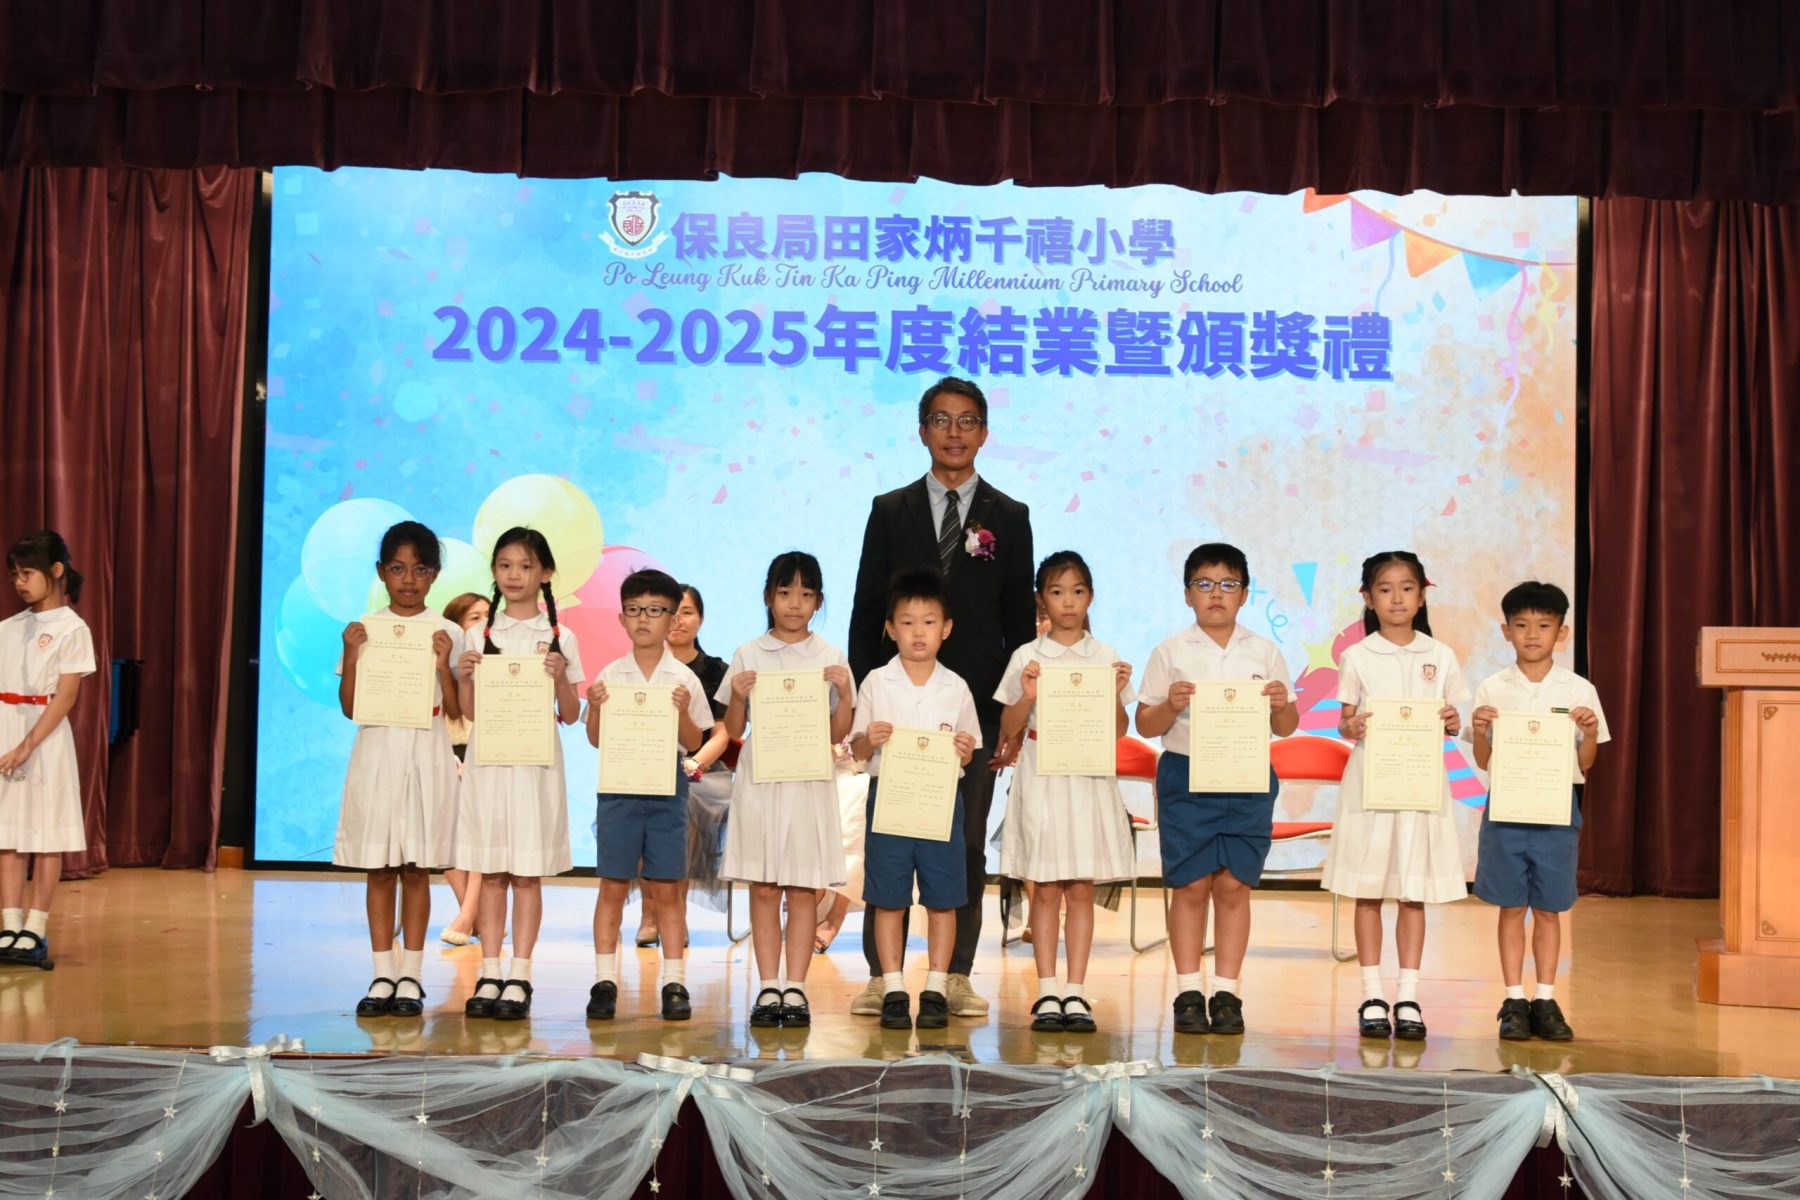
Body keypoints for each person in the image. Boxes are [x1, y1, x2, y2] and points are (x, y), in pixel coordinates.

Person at [848, 376, 1035, 1019]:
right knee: (890, 837)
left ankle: (953, 975)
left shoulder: (1010, 517)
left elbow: (1019, 625)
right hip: (896, 708)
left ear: (984, 432)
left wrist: (1010, 716)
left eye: (967, 421)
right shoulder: (889, 509)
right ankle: (884, 978)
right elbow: (867, 608)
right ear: (922, 430)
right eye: (941, 420)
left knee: (964, 843)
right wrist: (865, 701)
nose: (954, 433)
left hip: (971, 711)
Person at [1135, 543, 1297, 1036]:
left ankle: (1227, 993)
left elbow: (1287, 726)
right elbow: (1145, 724)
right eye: (1204, 584)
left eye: (1228, 584)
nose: (1216, 594)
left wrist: (1280, 705)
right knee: (1190, 885)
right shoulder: (1170, 651)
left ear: (1244, 594)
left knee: (1233, 885)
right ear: (1188, 594)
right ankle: (1188, 991)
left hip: (1247, 779)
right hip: (1187, 777)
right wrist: (1170, 704)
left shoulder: (1264, 651)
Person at [1320, 550, 1468, 1042]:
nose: (1397, 598)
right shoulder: (1357, 656)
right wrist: (1351, 727)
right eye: (1385, 589)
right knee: (1368, 890)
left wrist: (1453, 721)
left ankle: (1407, 996)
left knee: (1412, 892)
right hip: (1372, 784)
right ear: (1368, 598)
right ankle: (1371, 994)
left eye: (1407, 588)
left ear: (1422, 595)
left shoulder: (1439, 655)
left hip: (1420, 785)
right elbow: (1344, 721)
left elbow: (1457, 718)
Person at [995, 551, 1133, 1034]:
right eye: (1057, 592)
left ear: (1090, 596)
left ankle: (1076, 991)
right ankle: (1047, 990)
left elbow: (1119, 729)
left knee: (1080, 888)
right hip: (1043, 774)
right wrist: (1028, 695)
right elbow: (1009, 725)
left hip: (1088, 777)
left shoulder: (1105, 655)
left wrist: (1114, 693)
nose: (1068, 602)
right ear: (1042, 600)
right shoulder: (1026, 656)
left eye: (1077, 591)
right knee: (1046, 886)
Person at [1467, 581, 1608, 1042]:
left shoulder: (1580, 689)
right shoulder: (1492, 687)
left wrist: (1589, 734)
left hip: (1556, 812)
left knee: (1548, 909)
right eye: (1522, 625)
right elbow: (1484, 761)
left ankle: (1545, 999)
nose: (1532, 634)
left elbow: (1586, 763)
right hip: (1506, 811)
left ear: (1561, 633)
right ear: (1505, 631)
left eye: (1544, 626)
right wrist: (1480, 731)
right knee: (1511, 907)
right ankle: (1514, 1000)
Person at [719, 551, 855, 1029]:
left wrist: (846, 694)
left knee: (802, 888)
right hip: (761, 781)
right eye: (785, 592)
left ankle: (794, 987)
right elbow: (733, 730)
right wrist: (738, 696)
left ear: (818, 600)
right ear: (768, 597)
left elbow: (839, 732)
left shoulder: (830, 656)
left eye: (805, 593)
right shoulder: (748, 653)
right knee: (763, 887)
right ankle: (767, 986)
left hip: (808, 781)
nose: (795, 603)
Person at [454, 528, 584, 1021]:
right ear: (494, 571)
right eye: (505, 565)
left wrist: (559, 675)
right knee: (491, 873)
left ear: (545, 573)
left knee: (526, 875)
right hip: (490, 764)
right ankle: (489, 971)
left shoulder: (561, 637)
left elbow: (570, 713)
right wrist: (466, 677)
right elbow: (469, 712)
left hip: (534, 768)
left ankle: (521, 974)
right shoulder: (477, 635)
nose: (514, 575)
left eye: (526, 566)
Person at [334, 522, 463, 1017]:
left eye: (420, 570)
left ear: (434, 575)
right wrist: (351, 653)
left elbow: (456, 711)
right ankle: (381, 973)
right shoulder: (365, 629)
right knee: (380, 866)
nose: (408, 580)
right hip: (378, 751)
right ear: (381, 571)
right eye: (398, 568)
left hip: (426, 749)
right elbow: (350, 707)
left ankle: (411, 974)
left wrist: (443, 665)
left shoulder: (448, 632)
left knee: (416, 867)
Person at [850, 568, 981, 1030]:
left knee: (943, 899)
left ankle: (936, 988)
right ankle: (892, 987)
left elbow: (968, 751)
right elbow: (856, 750)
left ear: (946, 628)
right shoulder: (875, 682)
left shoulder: (956, 687)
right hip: (889, 801)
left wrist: (964, 751)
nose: (918, 632)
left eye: (929, 622)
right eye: (907, 622)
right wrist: (868, 739)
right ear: (890, 629)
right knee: (889, 898)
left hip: (940, 803)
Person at [583, 569, 714, 1022]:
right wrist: (595, 707)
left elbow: (694, 740)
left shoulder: (683, 678)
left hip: (666, 790)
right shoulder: (609, 675)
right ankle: (604, 982)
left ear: (672, 619)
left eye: (655, 610)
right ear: (621, 619)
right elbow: (595, 739)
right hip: (618, 790)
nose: (644, 619)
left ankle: (674, 982)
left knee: (667, 889)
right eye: (635, 610)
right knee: (613, 886)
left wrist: (681, 712)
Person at [0, 531, 95, 970]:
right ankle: (9, 925)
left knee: (46, 833)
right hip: (7, 727)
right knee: (9, 833)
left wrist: (28, 744)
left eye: (27, 573)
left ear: (55, 571)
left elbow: (66, 696)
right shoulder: (8, 628)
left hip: (46, 735)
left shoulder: (73, 629)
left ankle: (35, 928)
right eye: (14, 575)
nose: (19, 582)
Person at [634, 583, 731, 946]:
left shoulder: (715, 670)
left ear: (700, 620)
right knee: (635, 801)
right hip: (648, 765)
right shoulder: (641, 667)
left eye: (687, 612)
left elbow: (721, 735)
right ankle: (649, 911)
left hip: (703, 772)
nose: (678, 620)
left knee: (684, 806)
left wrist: (692, 764)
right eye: (671, 613)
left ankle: (675, 911)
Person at [437, 591, 493, 948]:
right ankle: (474, 916)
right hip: (443, 755)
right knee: (442, 837)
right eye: (475, 617)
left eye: (489, 616)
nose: (484, 624)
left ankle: (469, 914)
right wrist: (446, 759)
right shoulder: (438, 666)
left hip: (484, 757)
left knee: (479, 837)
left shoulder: (497, 667)